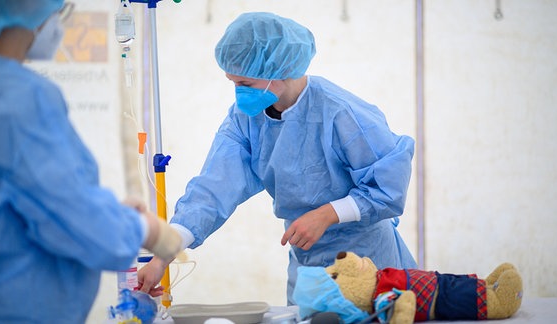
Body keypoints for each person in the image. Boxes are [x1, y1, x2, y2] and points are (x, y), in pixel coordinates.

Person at [138, 11, 417, 305]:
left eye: (245, 83)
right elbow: (211, 191)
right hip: (308, 266)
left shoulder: (339, 112)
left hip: (369, 263)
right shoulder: (245, 120)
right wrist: (163, 256)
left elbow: (388, 188)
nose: (238, 93)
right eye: (232, 82)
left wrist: (327, 214)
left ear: (280, 72)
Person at [0, 1, 183, 322]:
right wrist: (143, 229)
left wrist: (113, 215)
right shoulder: (17, 99)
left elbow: (24, 196)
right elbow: (70, 214)